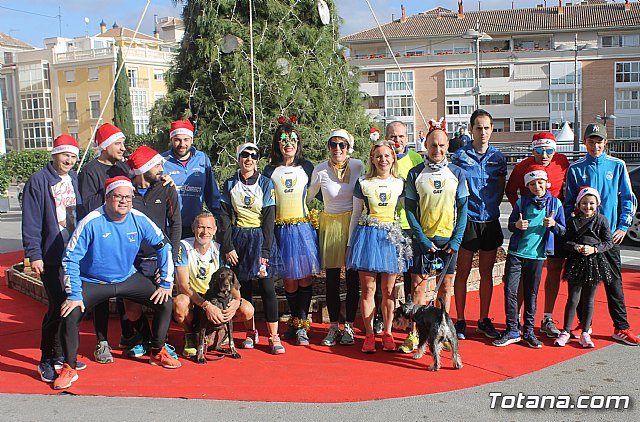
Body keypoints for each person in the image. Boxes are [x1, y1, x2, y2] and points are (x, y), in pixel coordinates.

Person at [54, 176, 180, 390]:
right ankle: (69, 367)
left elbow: (163, 246)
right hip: (93, 280)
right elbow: (70, 259)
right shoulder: (91, 221)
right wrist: (74, 294)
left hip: (126, 277)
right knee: (71, 312)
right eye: (118, 196)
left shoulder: (138, 218)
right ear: (107, 197)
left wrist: (166, 282)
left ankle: (157, 351)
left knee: (165, 301)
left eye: (128, 197)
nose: (124, 201)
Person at [563, 123, 639, 346]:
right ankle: (583, 324)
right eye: (590, 141)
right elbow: (568, 202)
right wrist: (571, 230)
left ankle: (621, 327)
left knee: (614, 282)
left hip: (609, 237)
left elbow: (628, 198)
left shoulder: (617, 165)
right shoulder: (576, 168)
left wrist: (623, 226)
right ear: (584, 142)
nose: (595, 146)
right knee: (581, 283)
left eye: (599, 142)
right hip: (583, 239)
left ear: (605, 143)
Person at [22, 135, 86, 383]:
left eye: (73, 156)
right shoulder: (38, 180)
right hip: (50, 256)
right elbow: (31, 220)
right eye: (65, 155)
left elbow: (75, 214)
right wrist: (34, 254)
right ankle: (46, 358)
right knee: (57, 306)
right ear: (54, 155)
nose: (69, 160)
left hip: (71, 255)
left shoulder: (73, 179)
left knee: (70, 306)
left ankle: (61, 354)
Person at [403, 120, 469, 353]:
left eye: (441, 145)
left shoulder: (457, 173)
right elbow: (410, 210)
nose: (437, 150)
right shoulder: (415, 173)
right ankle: (415, 334)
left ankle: (443, 333)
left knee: (445, 288)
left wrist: (456, 239)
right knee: (417, 287)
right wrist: (421, 238)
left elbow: (463, 209)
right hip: (423, 240)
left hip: (448, 240)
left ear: (447, 145)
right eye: (433, 145)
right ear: (426, 145)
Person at [218, 143, 285, 354]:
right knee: (242, 289)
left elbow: (269, 218)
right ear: (238, 158)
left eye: (253, 156)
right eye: (245, 155)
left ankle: (273, 336)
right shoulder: (230, 183)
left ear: (257, 160)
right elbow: (224, 217)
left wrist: (265, 250)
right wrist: (228, 246)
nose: (249, 159)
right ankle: (250, 332)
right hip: (238, 239)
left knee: (267, 288)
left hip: (260, 238)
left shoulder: (265, 183)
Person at [347, 139, 412, 353]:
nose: (383, 160)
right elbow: (356, 214)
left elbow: (408, 210)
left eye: (386, 156)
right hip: (367, 237)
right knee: (368, 289)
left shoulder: (400, 183)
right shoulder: (363, 182)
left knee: (388, 290)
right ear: (372, 159)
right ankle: (369, 335)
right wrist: (350, 244)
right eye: (378, 156)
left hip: (390, 238)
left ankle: (388, 332)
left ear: (393, 158)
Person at [76, 123, 133, 364]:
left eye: (122, 143)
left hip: (123, 237)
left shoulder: (123, 168)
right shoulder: (90, 171)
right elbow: (87, 205)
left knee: (124, 289)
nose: (122, 148)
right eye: (118, 143)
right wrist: (112, 191)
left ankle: (128, 335)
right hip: (100, 240)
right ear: (106, 146)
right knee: (101, 293)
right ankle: (101, 342)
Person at [505, 132, 569, 338]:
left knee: (554, 270)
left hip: (552, 225)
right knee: (525, 276)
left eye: (549, 150)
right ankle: (516, 318)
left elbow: (569, 188)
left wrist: (561, 214)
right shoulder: (522, 167)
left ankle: (547, 318)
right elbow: (510, 190)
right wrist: (520, 212)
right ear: (533, 150)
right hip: (529, 230)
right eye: (539, 150)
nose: (545, 155)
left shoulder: (562, 162)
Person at [451, 110, 507, 341]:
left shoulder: (498, 158)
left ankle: (484, 319)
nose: (482, 132)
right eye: (478, 128)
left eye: (486, 128)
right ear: (471, 129)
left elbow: (501, 189)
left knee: (486, 273)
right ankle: (460, 319)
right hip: (468, 222)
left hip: (490, 221)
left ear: (492, 129)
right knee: (462, 272)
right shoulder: (460, 156)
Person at [494, 168, 565, 348]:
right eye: (532, 184)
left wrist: (554, 225)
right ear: (528, 186)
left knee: (531, 294)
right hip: (516, 253)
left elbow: (563, 230)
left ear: (547, 183)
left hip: (537, 256)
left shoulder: (555, 204)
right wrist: (517, 225)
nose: (537, 186)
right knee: (510, 291)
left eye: (540, 182)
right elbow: (511, 224)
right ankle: (512, 330)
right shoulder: (522, 202)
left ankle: (529, 332)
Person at [263, 119, 320, 345]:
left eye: (293, 139)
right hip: (281, 230)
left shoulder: (307, 167)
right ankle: (294, 322)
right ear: (277, 144)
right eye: (284, 140)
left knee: (304, 277)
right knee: (289, 280)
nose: (289, 144)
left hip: (302, 229)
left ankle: (303, 324)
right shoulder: (270, 170)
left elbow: (319, 191)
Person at [123, 146, 182, 358]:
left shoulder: (166, 188)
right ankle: (144, 340)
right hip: (132, 261)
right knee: (131, 310)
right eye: (156, 165)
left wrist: (169, 262)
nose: (161, 169)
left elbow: (175, 224)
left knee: (163, 303)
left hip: (159, 258)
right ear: (143, 168)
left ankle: (160, 343)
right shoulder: (126, 192)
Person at [307, 129, 364, 346]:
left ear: (349, 147)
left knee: (352, 279)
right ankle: (333, 326)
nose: (337, 149)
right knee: (331, 280)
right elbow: (308, 196)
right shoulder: (320, 169)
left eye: (342, 145)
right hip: (330, 225)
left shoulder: (358, 166)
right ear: (328, 147)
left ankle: (348, 325)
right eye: (333, 144)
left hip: (353, 223)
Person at [173, 212, 255, 356]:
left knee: (247, 309)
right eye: (201, 227)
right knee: (180, 303)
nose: (205, 232)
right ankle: (190, 335)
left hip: (216, 300)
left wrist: (236, 300)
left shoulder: (220, 249)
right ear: (193, 228)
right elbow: (183, 285)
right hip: (195, 300)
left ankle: (223, 332)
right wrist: (206, 305)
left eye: (209, 228)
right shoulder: (183, 247)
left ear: (215, 230)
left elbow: (230, 279)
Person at [376, 121, 422, 335]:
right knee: (386, 278)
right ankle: (383, 318)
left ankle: (410, 320)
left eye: (401, 136)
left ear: (407, 137)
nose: (397, 140)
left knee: (412, 277)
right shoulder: (382, 159)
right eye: (393, 136)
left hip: (410, 226)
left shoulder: (415, 159)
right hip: (387, 226)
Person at [555, 187, 613, 348]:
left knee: (589, 299)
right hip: (576, 262)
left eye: (591, 203)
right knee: (573, 298)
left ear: (597, 204)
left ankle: (585, 332)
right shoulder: (573, 221)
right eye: (584, 203)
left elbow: (608, 242)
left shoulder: (602, 220)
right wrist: (576, 247)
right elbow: (564, 242)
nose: (588, 206)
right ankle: (565, 331)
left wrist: (594, 249)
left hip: (594, 263)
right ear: (579, 204)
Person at [162, 119, 221, 239]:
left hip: (196, 226)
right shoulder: (162, 161)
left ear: (192, 140)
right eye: (177, 140)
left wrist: (219, 218)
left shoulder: (202, 159)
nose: (182, 144)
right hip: (170, 226)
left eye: (186, 139)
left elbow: (211, 193)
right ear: (171, 140)